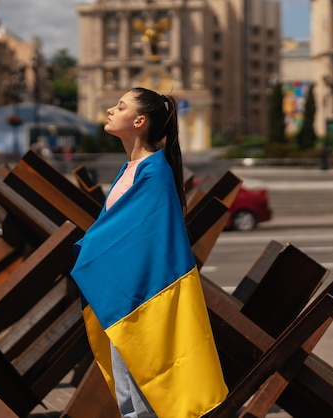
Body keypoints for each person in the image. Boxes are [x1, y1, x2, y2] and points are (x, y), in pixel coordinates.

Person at [70, 87, 227, 417]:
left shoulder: (155, 173)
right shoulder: (132, 169)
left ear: (139, 121)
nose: (111, 110)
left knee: (144, 395)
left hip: (144, 298)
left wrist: (88, 249)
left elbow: (142, 238)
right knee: (129, 393)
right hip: (124, 294)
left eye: (121, 106)